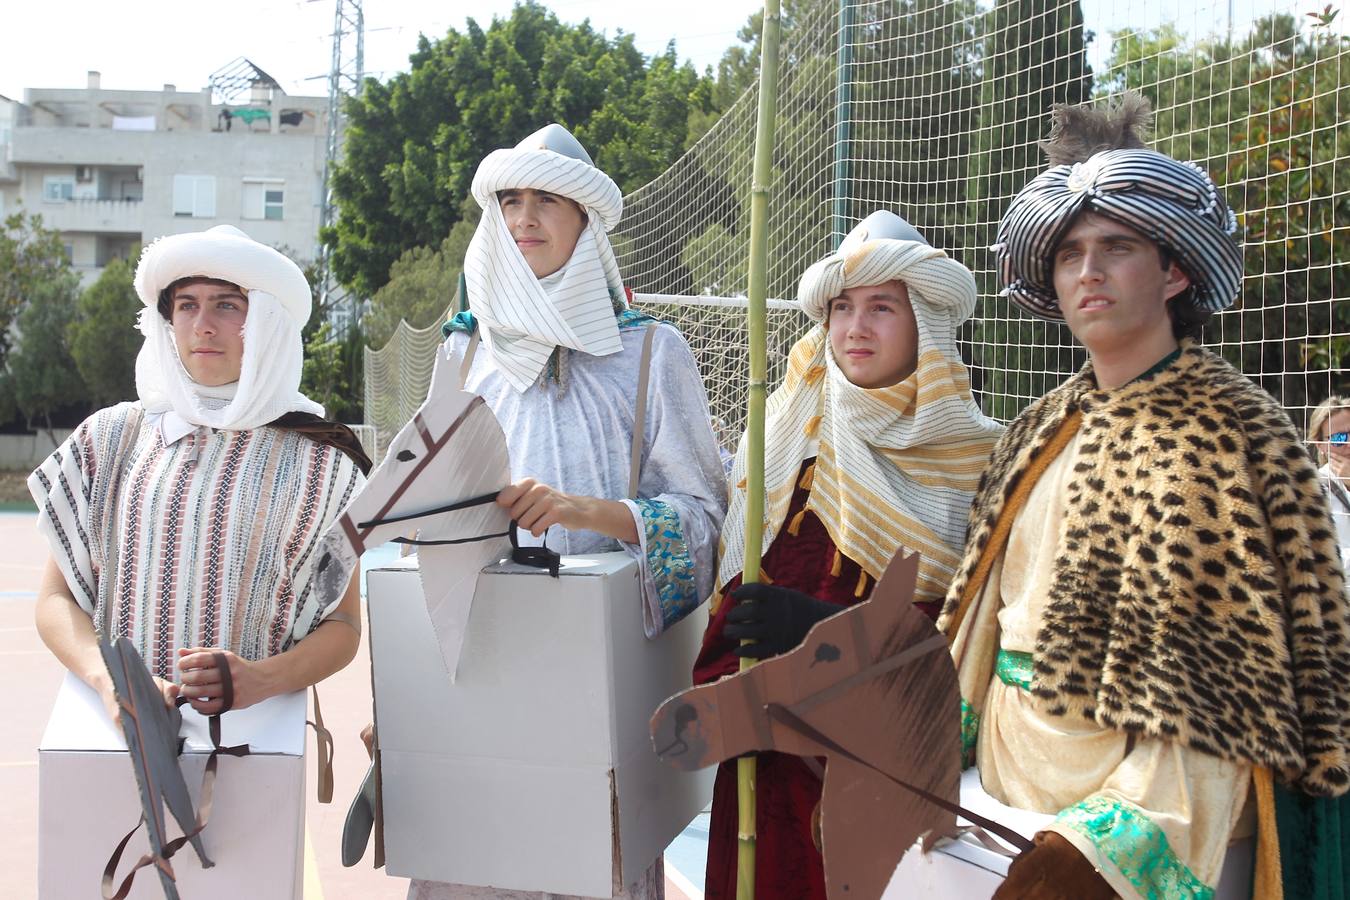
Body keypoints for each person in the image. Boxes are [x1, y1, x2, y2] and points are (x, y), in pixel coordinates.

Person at [938, 94, 1350, 900]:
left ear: (1175, 271)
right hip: (998, 787)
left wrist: (1110, 844)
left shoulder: (1232, 435)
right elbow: (978, 624)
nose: (1087, 272)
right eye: (1069, 254)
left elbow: (1225, 703)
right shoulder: (1035, 428)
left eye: (1116, 248)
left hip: (1138, 820)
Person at [403, 123, 727, 900]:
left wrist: (588, 511)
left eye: (547, 199)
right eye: (510, 200)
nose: (524, 218)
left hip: (599, 687)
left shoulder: (651, 352)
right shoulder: (462, 354)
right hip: (477, 673)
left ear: (586, 222)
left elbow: (704, 527)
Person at [692, 210, 1003, 899]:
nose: (855, 328)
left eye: (881, 308)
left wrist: (823, 631)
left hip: (889, 780)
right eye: (842, 308)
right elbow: (730, 616)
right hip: (767, 777)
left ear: (926, 319)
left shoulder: (984, 462)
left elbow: (976, 641)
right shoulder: (779, 446)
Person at [31, 225, 370, 723]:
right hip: (114, 730)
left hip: (256, 738)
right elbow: (55, 599)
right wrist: (112, 682)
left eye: (227, 306)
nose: (202, 325)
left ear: (267, 324)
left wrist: (262, 679)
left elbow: (342, 623)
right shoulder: (109, 437)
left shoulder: (324, 461)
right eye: (186, 305)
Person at [1308, 395, 1350, 566]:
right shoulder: (1314, 489)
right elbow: (1324, 557)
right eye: (1339, 438)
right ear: (1321, 446)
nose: (1349, 443)